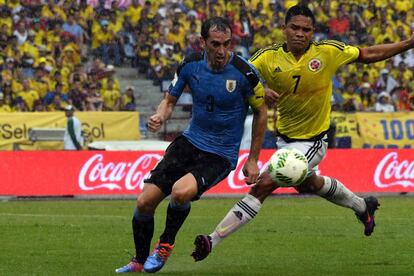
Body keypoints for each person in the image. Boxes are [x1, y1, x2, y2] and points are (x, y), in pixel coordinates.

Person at [191, 4, 414, 262]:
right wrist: (260, 87)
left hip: (314, 140)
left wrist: (409, 42)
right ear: (284, 29)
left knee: (264, 184)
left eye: (306, 29)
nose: (300, 33)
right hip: (285, 139)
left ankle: (211, 240)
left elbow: (369, 52)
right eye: (294, 28)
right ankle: (363, 206)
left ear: (313, 32)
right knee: (308, 184)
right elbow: (239, 76)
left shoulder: (329, 51)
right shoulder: (267, 57)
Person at [115, 17, 267, 273]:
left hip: (220, 153)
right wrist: (160, 115)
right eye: (215, 44)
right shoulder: (190, 64)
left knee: (180, 192)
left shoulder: (244, 72)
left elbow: (261, 112)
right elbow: (170, 100)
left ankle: (165, 244)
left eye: (227, 44)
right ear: (203, 42)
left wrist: (252, 159)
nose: (221, 51)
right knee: (144, 202)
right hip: (189, 141)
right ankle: (139, 261)